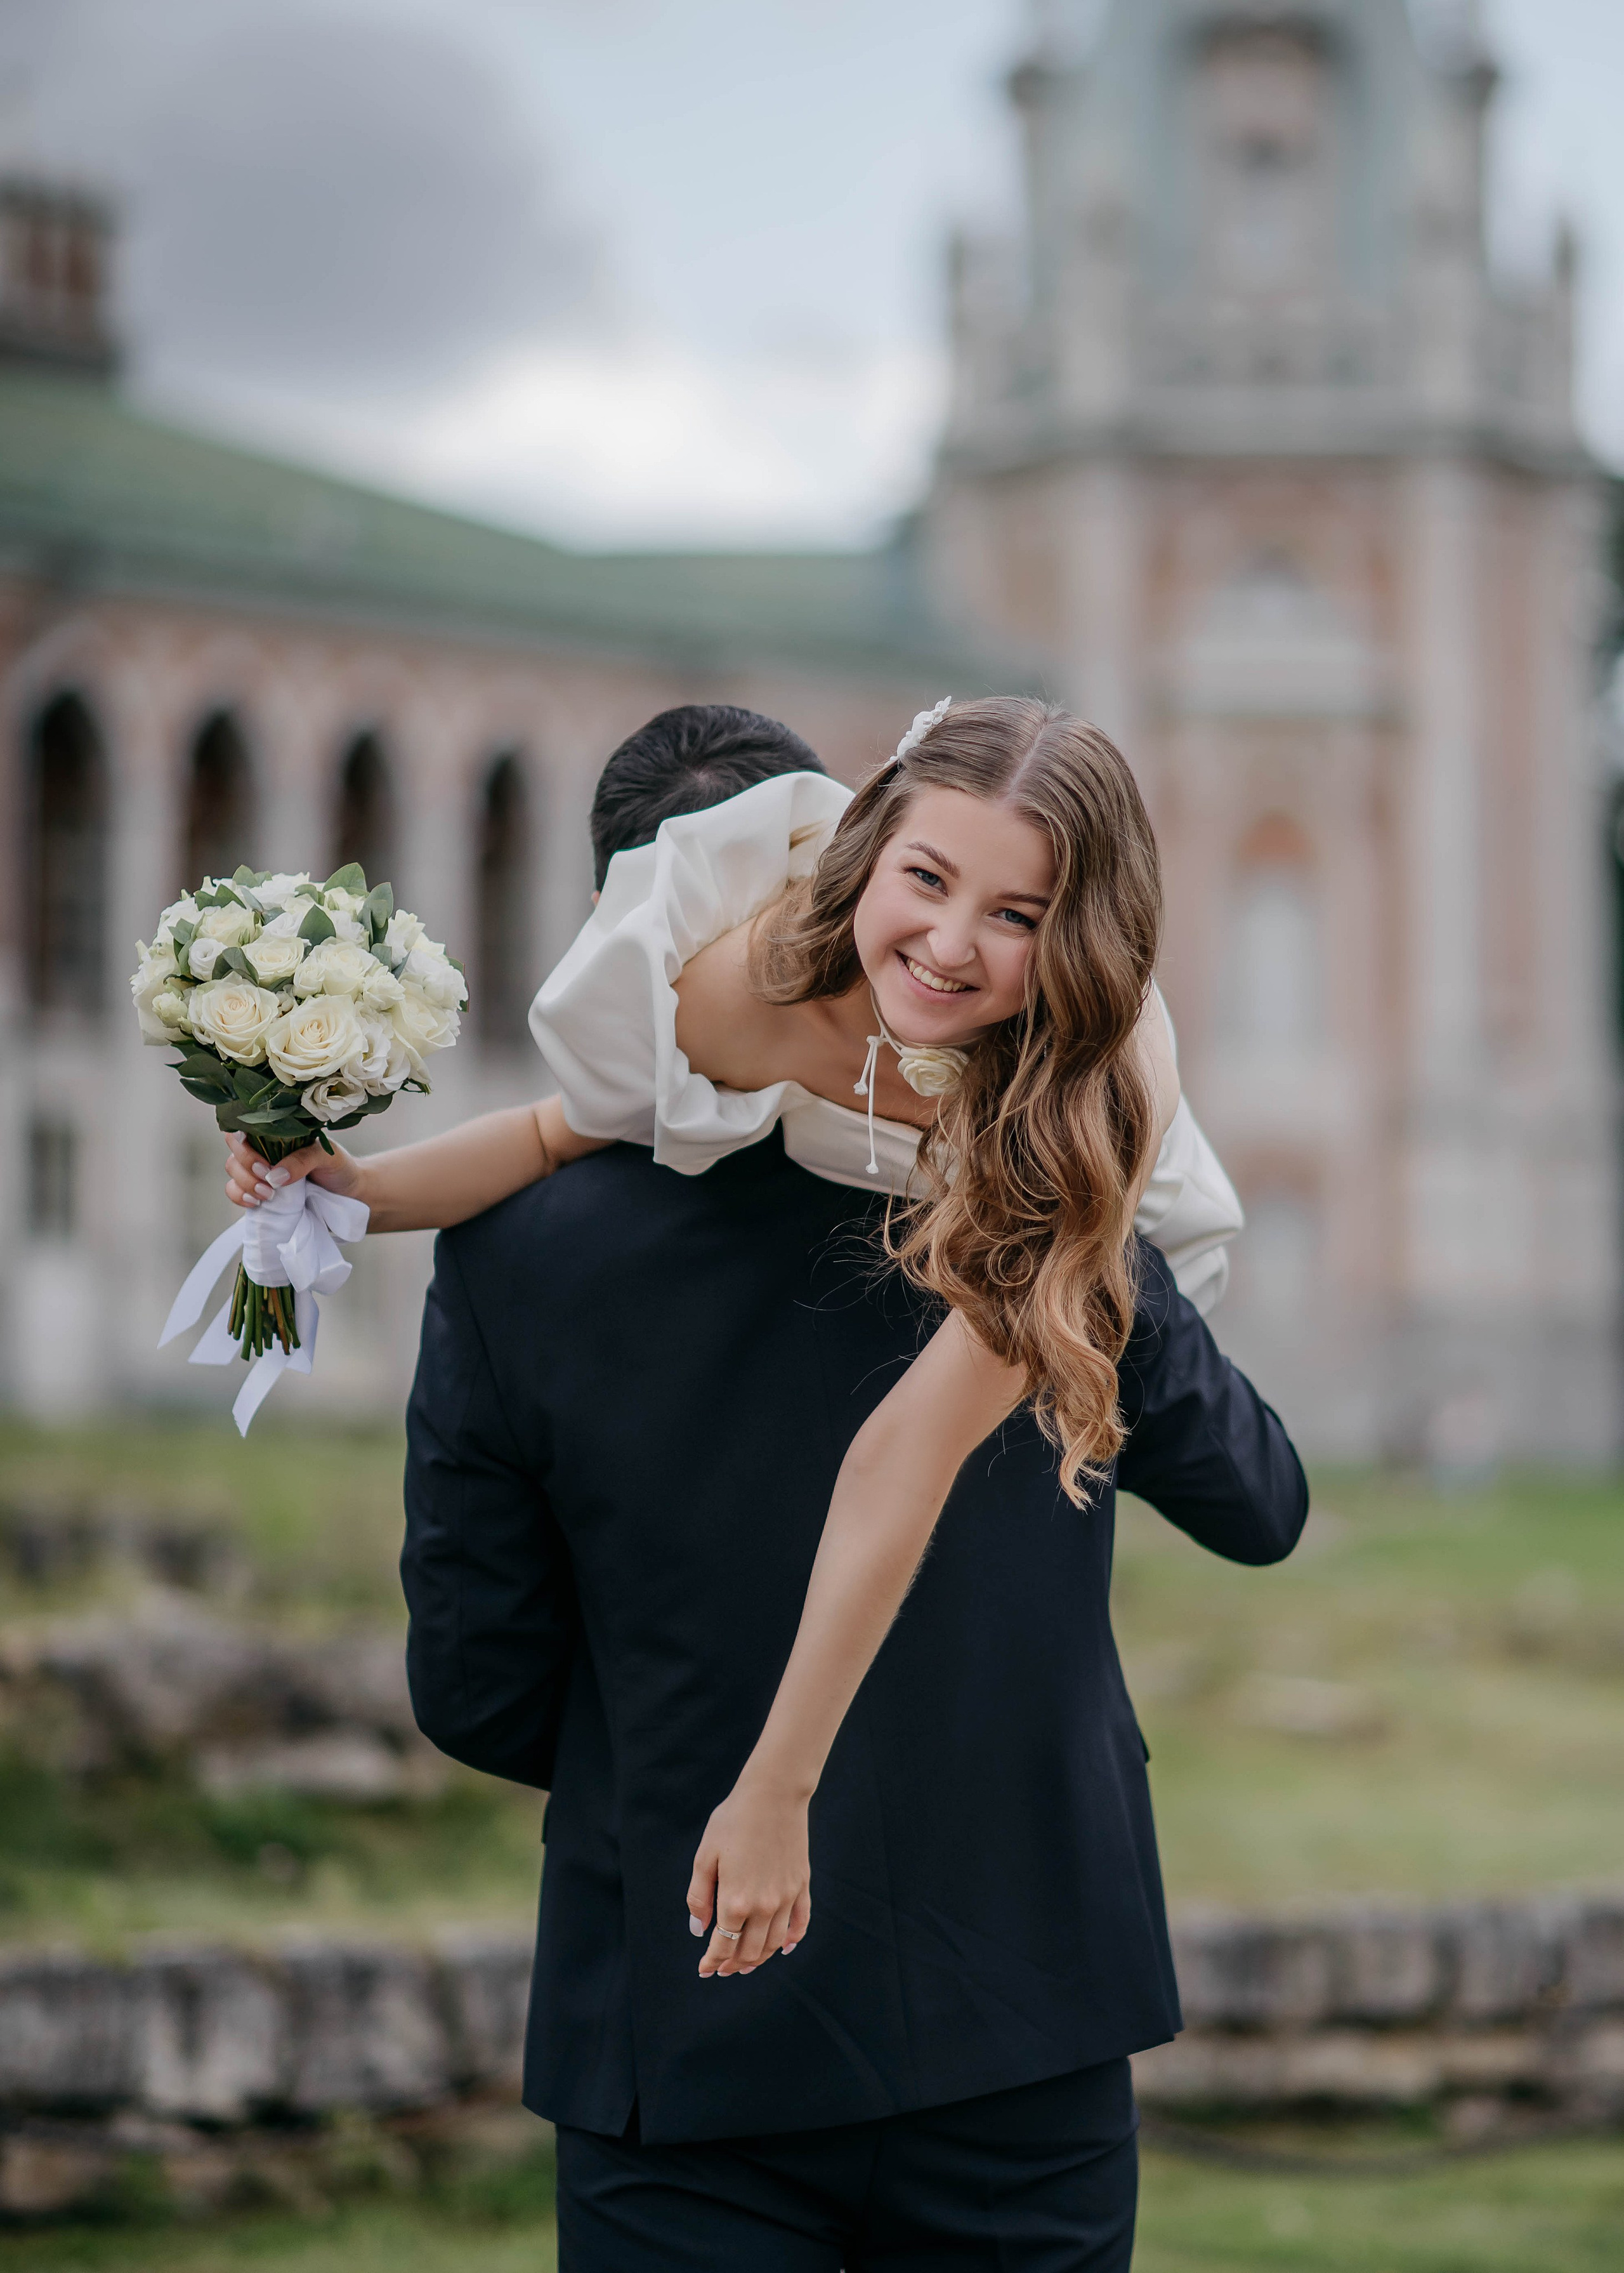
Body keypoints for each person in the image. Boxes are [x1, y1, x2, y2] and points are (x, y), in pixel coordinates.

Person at [227, 696, 1247, 1986]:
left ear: (1075, 937)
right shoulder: (742, 985)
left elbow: (898, 1458)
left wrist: (776, 1790)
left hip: (1039, 1176)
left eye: (1016, 915)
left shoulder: (1088, 1103)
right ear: (868, 849)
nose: (945, 944)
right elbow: (561, 1131)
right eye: (924, 879)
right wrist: (350, 1192)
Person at [400, 1042, 1306, 2269]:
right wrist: (1098, 1199)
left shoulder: (515, 1242)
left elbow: (475, 1686)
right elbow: (1258, 1499)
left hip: (682, 2008)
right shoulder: (1023, 1218)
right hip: (1023, 1992)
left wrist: (672, 1760)